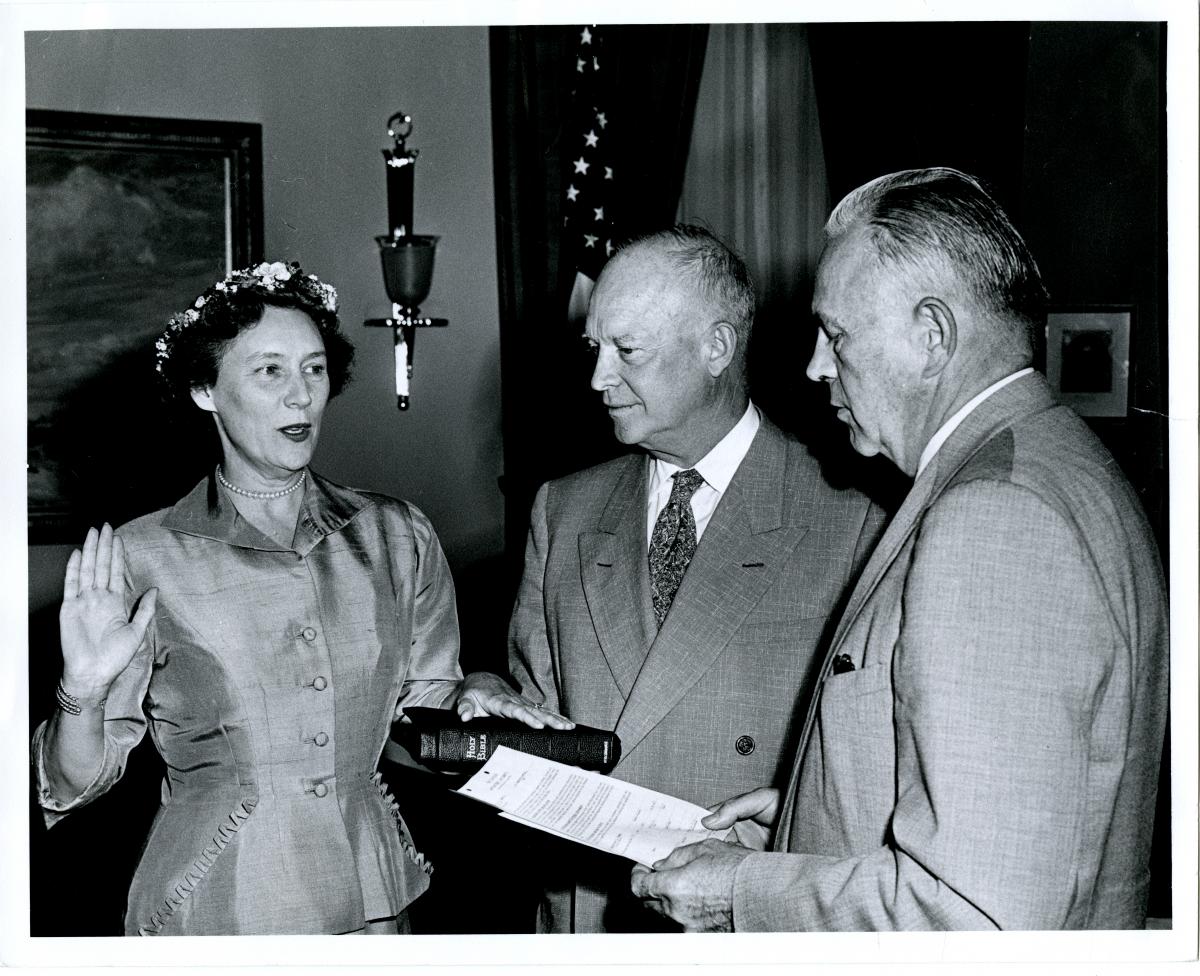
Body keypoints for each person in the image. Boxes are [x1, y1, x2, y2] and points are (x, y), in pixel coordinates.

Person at [630, 169, 1170, 930]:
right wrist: (810, 821)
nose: (816, 365)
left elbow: (974, 917)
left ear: (932, 336)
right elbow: (1026, 813)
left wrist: (742, 892)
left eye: (837, 334)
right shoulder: (1056, 462)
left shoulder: (997, 517)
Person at [31, 261, 561, 936]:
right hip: (219, 899)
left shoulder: (397, 533)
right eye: (270, 371)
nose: (301, 396)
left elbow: (423, 698)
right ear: (204, 390)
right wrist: (81, 689)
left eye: (314, 369)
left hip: (372, 891)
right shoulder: (142, 555)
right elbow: (72, 784)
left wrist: (470, 690)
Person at [469, 225, 884, 932]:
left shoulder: (852, 518)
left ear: (716, 348)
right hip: (589, 917)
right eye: (595, 350)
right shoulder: (564, 509)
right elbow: (542, 712)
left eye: (627, 351)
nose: (598, 379)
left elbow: (875, 776)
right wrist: (486, 701)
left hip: (740, 922)